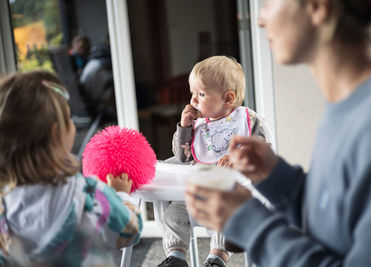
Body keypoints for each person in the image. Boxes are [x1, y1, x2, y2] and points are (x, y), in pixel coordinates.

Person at [185, 0, 371, 266]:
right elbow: (340, 220)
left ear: (317, 8)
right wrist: (279, 178)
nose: (260, 19)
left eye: (268, 4)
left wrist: (251, 224)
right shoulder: (354, 98)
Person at [0, 70, 142, 266]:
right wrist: (120, 195)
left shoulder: (4, 206)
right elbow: (128, 231)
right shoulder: (88, 192)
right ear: (56, 134)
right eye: (68, 118)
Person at [158, 56, 274, 267]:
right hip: (196, 192)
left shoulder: (247, 121)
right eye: (192, 93)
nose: (193, 100)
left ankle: (216, 258)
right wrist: (184, 127)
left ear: (228, 99)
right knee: (173, 211)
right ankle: (176, 257)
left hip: (229, 194)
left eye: (201, 94)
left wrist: (238, 158)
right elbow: (183, 156)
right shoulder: (198, 125)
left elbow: (262, 151)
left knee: (226, 213)